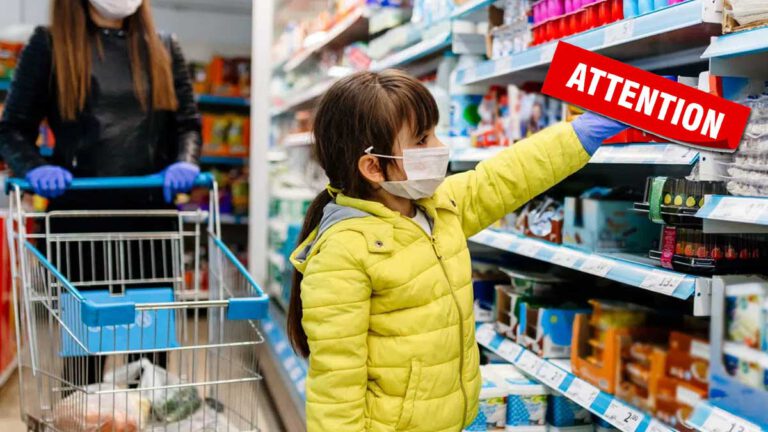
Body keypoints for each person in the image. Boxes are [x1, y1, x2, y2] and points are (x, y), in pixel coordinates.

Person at [287, 70, 626, 431]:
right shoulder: (343, 253)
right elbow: (336, 388)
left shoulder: (437, 208)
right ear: (373, 167)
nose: (437, 146)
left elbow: (506, 176)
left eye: (433, 132)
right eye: (421, 140)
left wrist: (578, 135)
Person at [0, 0, 201, 383]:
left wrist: (186, 160)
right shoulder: (50, 45)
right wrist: (35, 168)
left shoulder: (163, 46)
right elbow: (11, 129)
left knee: (150, 360)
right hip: (79, 224)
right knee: (84, 359)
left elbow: (187, 124)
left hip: (149, 223)